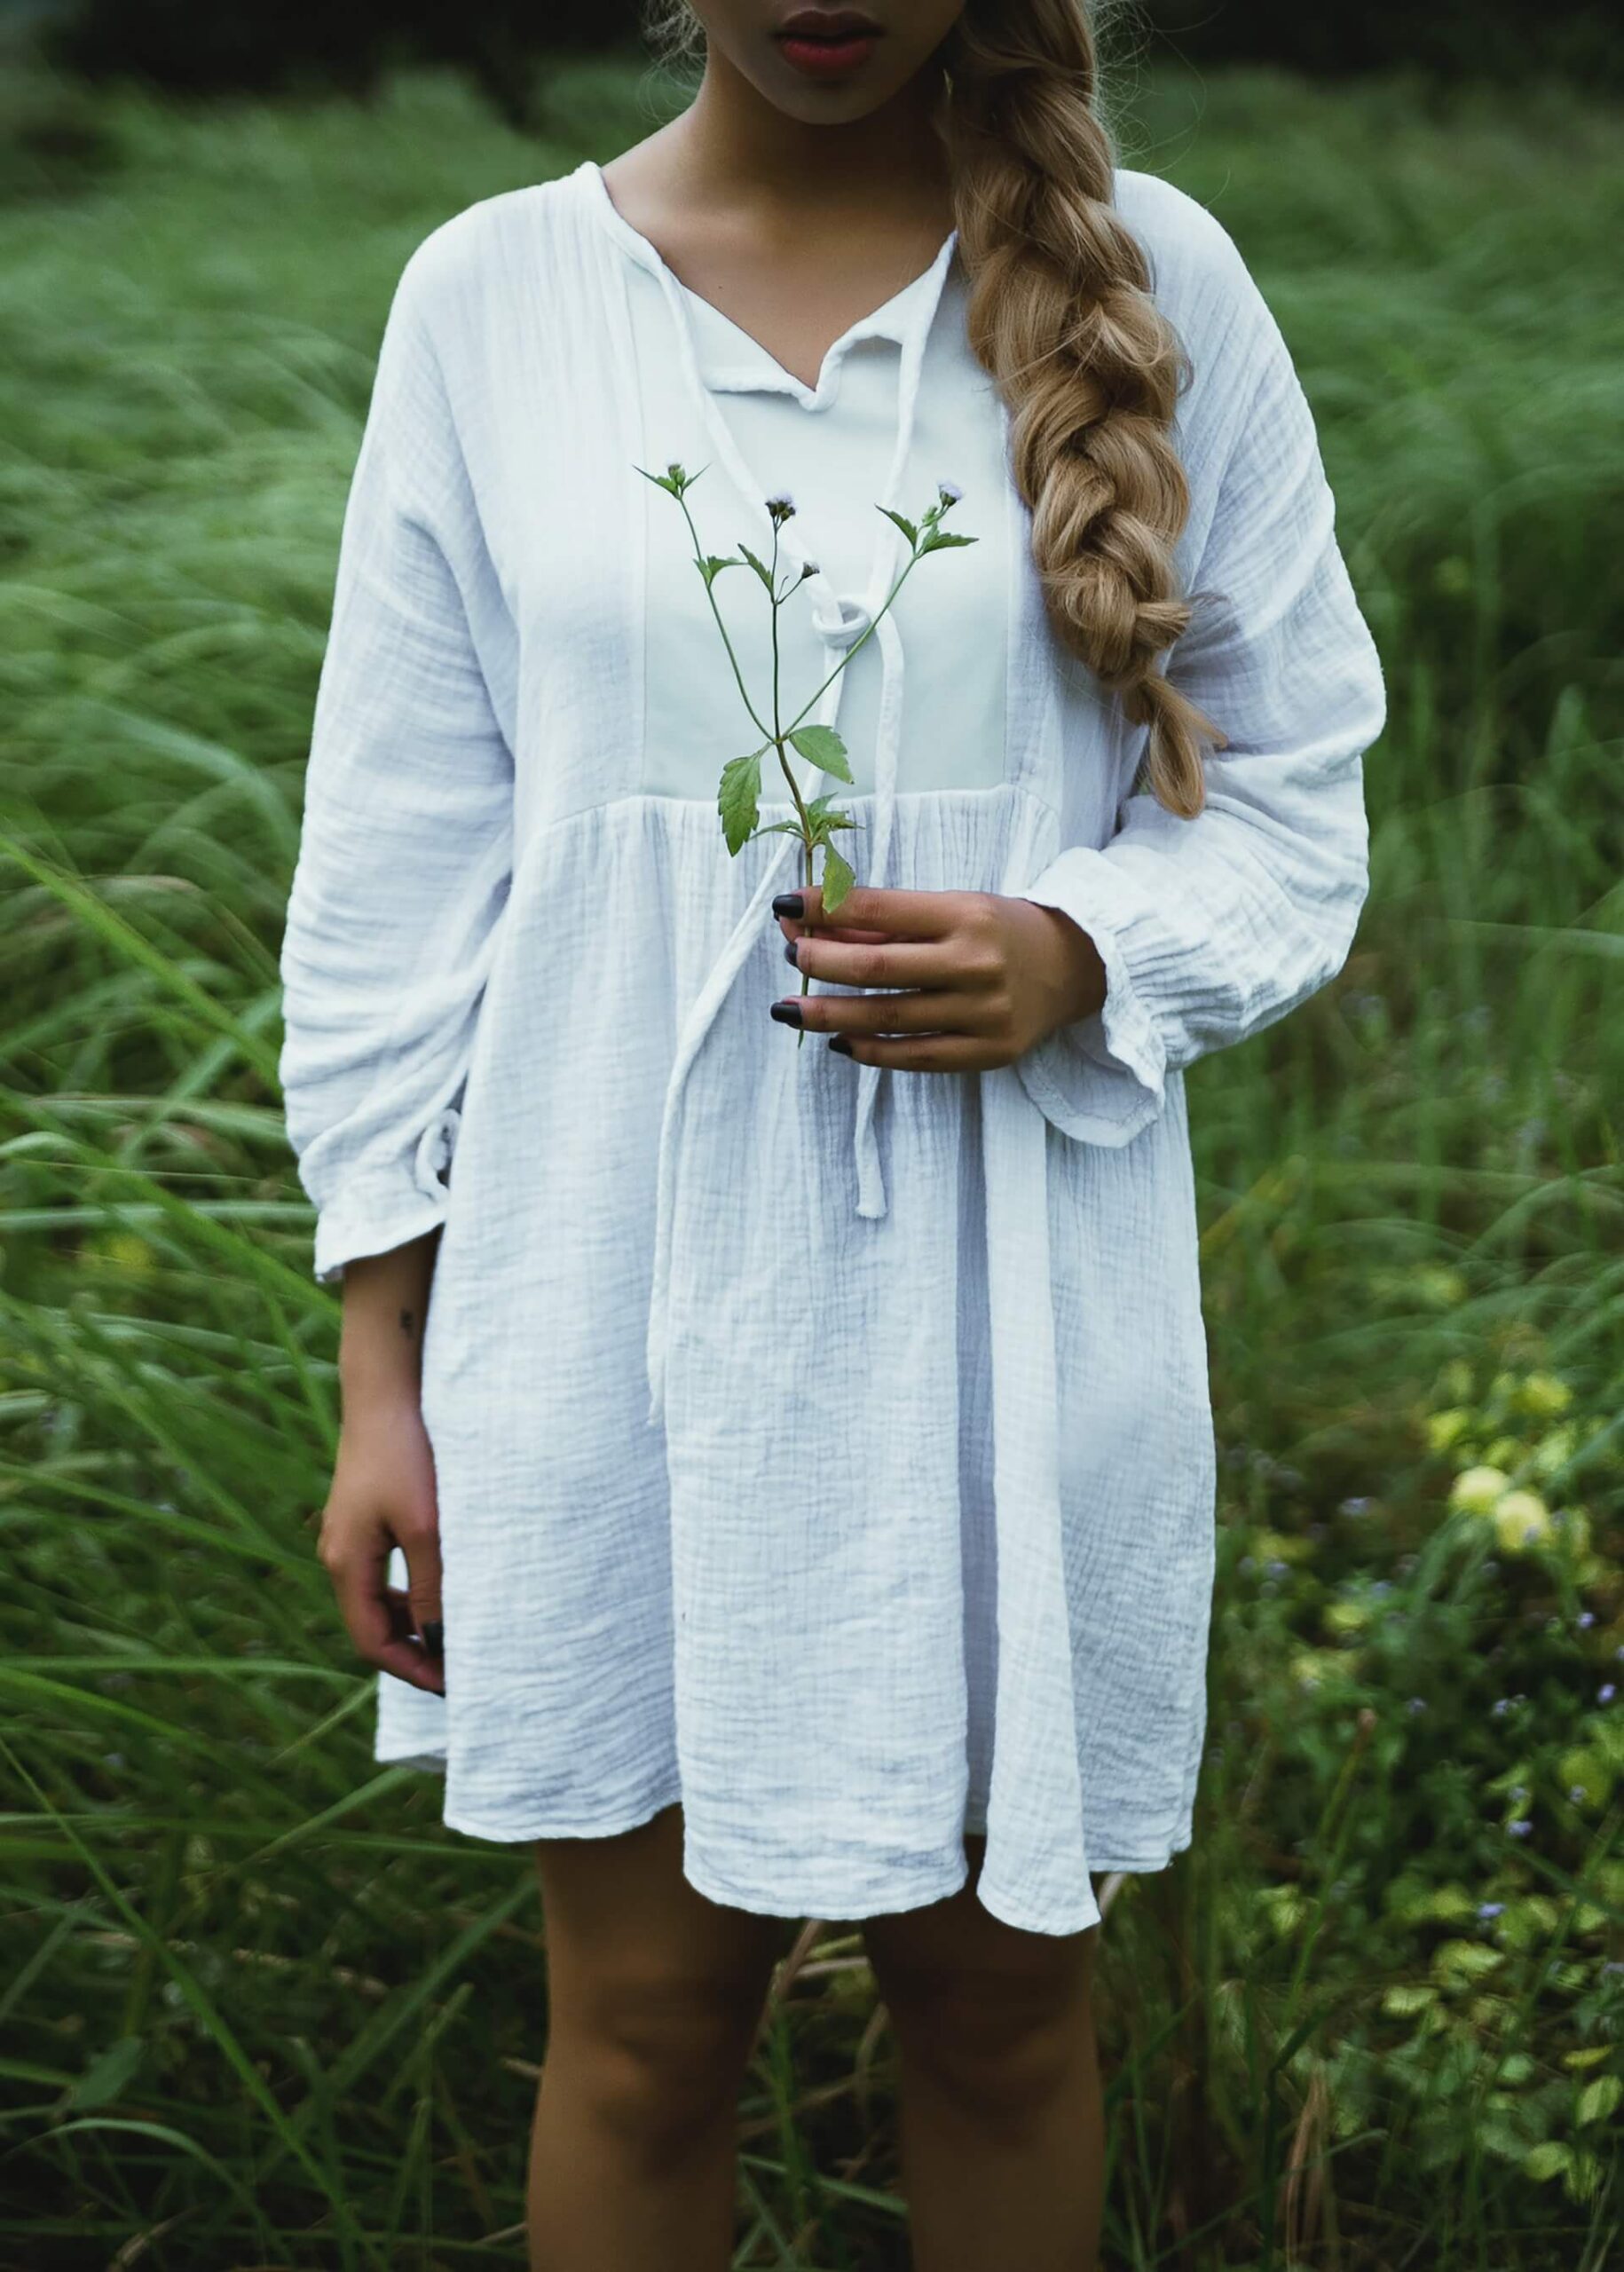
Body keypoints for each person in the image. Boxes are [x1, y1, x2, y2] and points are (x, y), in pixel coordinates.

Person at [276, 2, 1387, 2263]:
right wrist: (382, 1373)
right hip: (602, 1306)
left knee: (997, 2015)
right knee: (649, 2024)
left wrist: (1079, 949)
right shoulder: (492, 296)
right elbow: (400, 866)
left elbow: (1292, 799)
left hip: (1013, 1307)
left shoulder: (1155, 276)